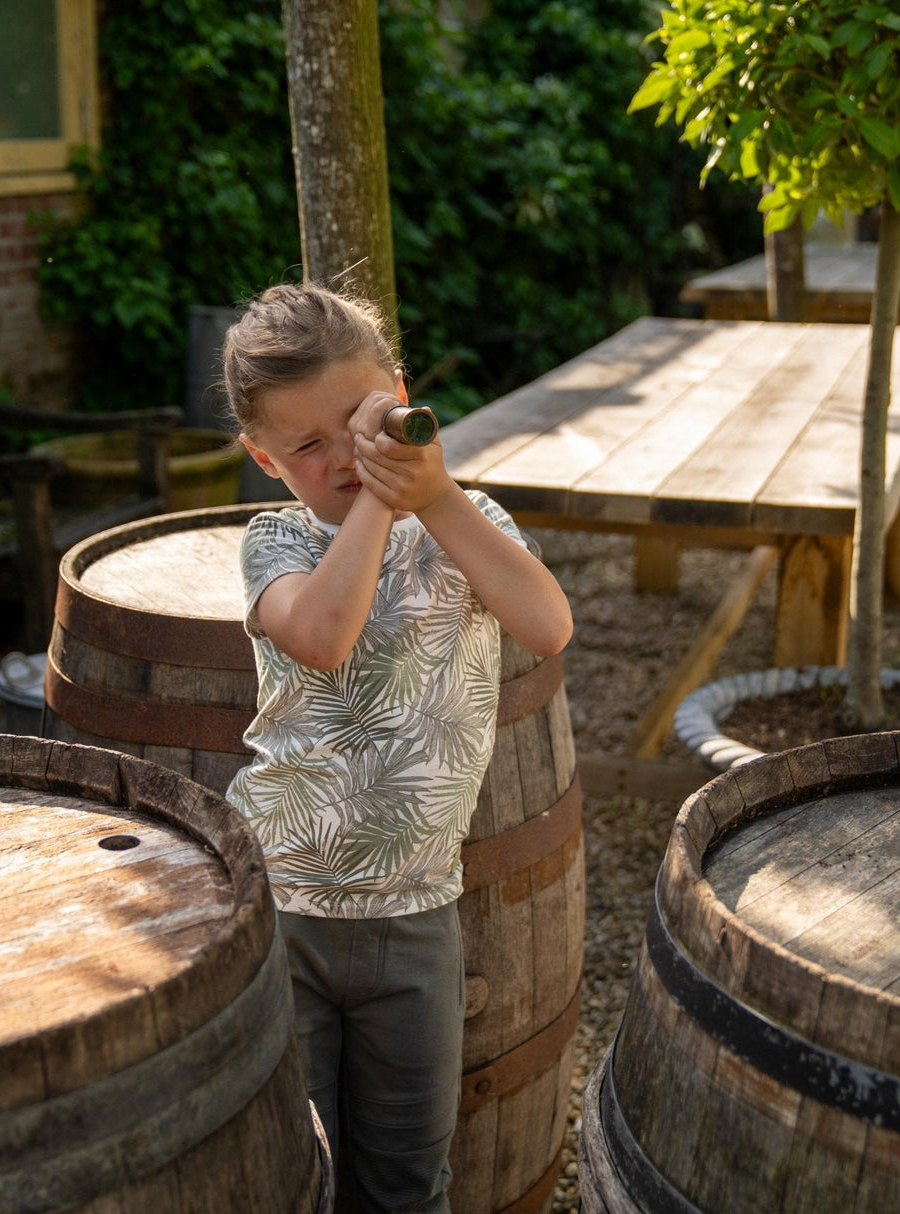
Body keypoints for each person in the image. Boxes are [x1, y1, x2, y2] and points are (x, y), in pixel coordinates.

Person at [221, 281, 573, 1213]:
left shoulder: (468, 521)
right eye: (307, 446)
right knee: (296, 1177)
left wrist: (437, 493)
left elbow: (547, 626)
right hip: (283, 913)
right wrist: (383, 498)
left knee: (409, 1180)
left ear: (400, 397)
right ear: (264, 458)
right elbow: (322, 636)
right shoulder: (275, 544)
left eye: (359, 422)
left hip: (417, 916)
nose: (344, 456)